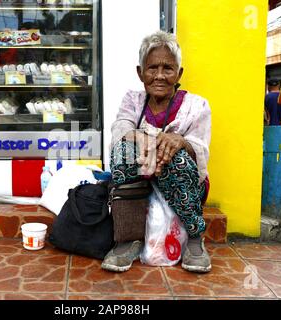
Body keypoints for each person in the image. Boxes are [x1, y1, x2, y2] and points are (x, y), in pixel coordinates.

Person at [102, 31, 211, 273]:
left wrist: (179, 142)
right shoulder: (133, 99)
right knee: (123, 150)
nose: (159, 76)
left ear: (179, 73)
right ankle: (128, 239)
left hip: (179, 183)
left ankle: (195, 238)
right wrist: (143, 139)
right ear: (140, 72)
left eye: (168, 68)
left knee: (178, 156)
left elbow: (200, 147)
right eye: (152, 68)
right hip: (139, 182)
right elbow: (120, 127)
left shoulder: (197, 105)